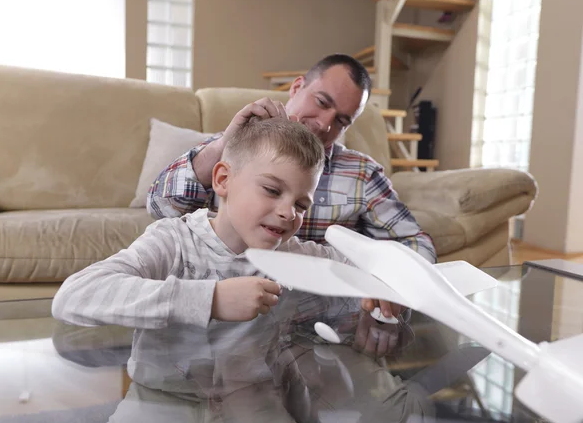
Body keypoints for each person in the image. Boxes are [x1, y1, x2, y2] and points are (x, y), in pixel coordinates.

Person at [52, 117, 392, 397]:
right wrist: (209, 299)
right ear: (223, 179)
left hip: (253, 398)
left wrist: (385, 289)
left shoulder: (295, 254)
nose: (289, 213)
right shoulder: (174, 240)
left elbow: (370, 269)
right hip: (160, 397)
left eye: (301, 204)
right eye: (272, 190)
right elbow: (74, 296)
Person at [147, 53, 437, 320]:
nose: (325, 124)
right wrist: (224, 144)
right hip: (227, 317)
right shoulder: (240, 148)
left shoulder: (362, 173)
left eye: (342, 121)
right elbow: (160, 207)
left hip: (318, 319)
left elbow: (414, 242)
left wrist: (392, 286)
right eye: (322, 103)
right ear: (297, 87)